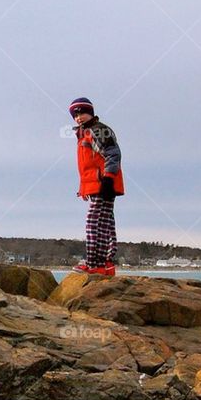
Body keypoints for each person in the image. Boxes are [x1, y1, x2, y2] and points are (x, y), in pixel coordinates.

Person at [69, 97, 124, 276]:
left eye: (82, 113)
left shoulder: (98, 130)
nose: (78, 118)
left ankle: (93, 263)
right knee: (104, 222)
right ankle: (104, 265)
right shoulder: (84, 134)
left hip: (104, 182)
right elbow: (87, 166)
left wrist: (108, 178)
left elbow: (113, 154)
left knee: (93, 222)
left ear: (91, 113)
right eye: (75, 115)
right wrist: (84, 189)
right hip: (97, 183)